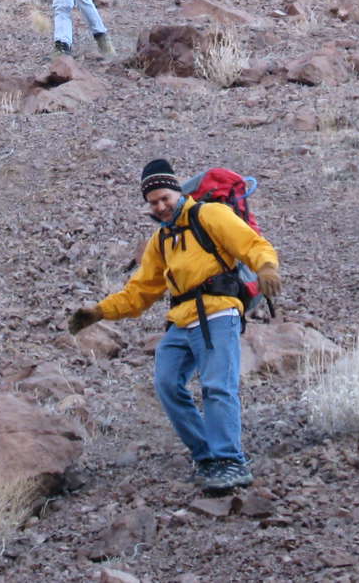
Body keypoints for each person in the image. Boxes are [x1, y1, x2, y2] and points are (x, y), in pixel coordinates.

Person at [67, 159, 281, 494]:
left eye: (164, 198)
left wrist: (267, 268)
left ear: (177, 191)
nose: (160, 207)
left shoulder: (210, 214)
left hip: (217, 312)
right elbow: (139, 292)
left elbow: (253, 244)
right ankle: (207, 457)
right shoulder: (161, 239)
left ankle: (230, 461)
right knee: (167, 384)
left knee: (217, 387)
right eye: (153, 202)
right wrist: (99, 312)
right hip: (181, 320)